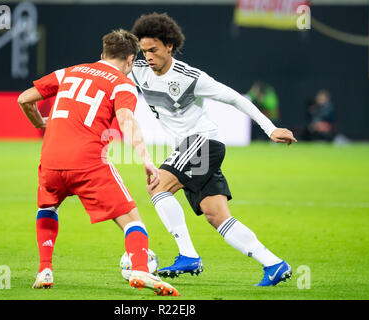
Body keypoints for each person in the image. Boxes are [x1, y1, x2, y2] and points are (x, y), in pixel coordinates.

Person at [130, 13, 297, 286]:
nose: (148, 56)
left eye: (154, 49)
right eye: (144, 50)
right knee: (216, 216)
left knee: (157, 186)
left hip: (203, 143)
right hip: (192, 149)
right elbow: (109, 67)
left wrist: (270, 129)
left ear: (169, 46)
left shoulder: (190, 77)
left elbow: (233, 98)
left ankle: (188, 255)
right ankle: (275, 264)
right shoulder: (139, 71)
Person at [17, 29, 179, 296]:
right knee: (132, 220)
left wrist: (40, 123)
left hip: (51, 159)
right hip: (88, 162)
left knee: (48, 206)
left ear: (102, 54)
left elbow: (24, 98)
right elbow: (127, 120)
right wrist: (146, 158)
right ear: (130, 60)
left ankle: (45, 269)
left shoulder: (68, 72)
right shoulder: (122, 83)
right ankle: (140, 267)